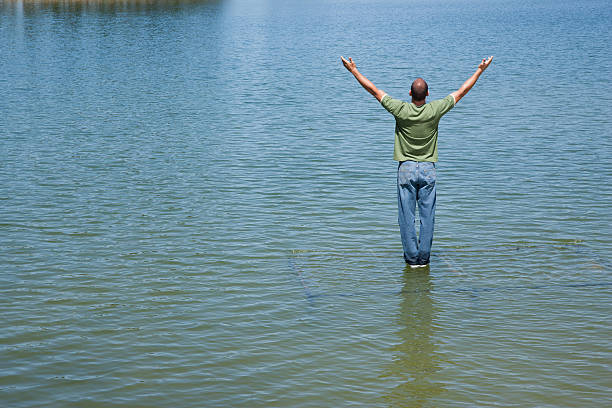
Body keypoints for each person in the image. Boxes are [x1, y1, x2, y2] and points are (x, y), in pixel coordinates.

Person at [341, 55, 493, 267]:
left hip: (406, 168)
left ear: (410, 93)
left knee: (406, 216)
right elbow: (461, 92)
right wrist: (480, 70)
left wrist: (354, 71)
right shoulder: (435, 110)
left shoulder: (400, 110)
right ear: (428, 94)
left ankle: (412, 259)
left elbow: (374, 91)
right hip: (429, 168)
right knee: (427, 216)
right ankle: (425, 258)